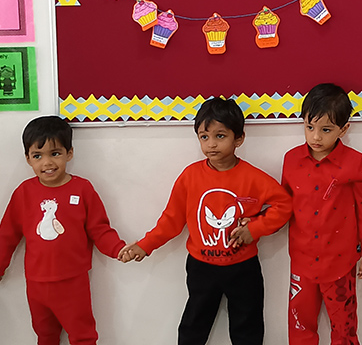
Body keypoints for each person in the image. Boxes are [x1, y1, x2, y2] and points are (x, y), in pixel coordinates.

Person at [118, 97, 292, 345]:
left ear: (239, 138)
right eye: (204, 136)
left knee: (248, 329)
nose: (211, 144)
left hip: (243, 269)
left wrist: (255, 228)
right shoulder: (190, 177)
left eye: (220, 136)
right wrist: (144, 246)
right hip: (201, 267)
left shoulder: (254, 178)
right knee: (193, 327)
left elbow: (284, 205)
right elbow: (171, 220)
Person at [0, 116, 126, 345]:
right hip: (36, 284)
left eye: (55, 153)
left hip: (73, 283)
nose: (47, 163)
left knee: (83, 336)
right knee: (45, 335)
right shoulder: (23, 193)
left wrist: (118, 249)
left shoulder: (83, 189)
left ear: (69, 153)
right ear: (28, 159)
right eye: (38, 156)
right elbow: (6, 236)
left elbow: (99, 229)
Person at [281, 83, 362, 345]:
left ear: (343, 130)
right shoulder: (291, 160)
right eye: (309, 127)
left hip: (340, 264)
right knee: (300, 326)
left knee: (345, 329)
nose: (316, 137)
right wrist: (257, 222)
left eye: (326, 130)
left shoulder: (354, 163)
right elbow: (282, 205)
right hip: (301, 263)